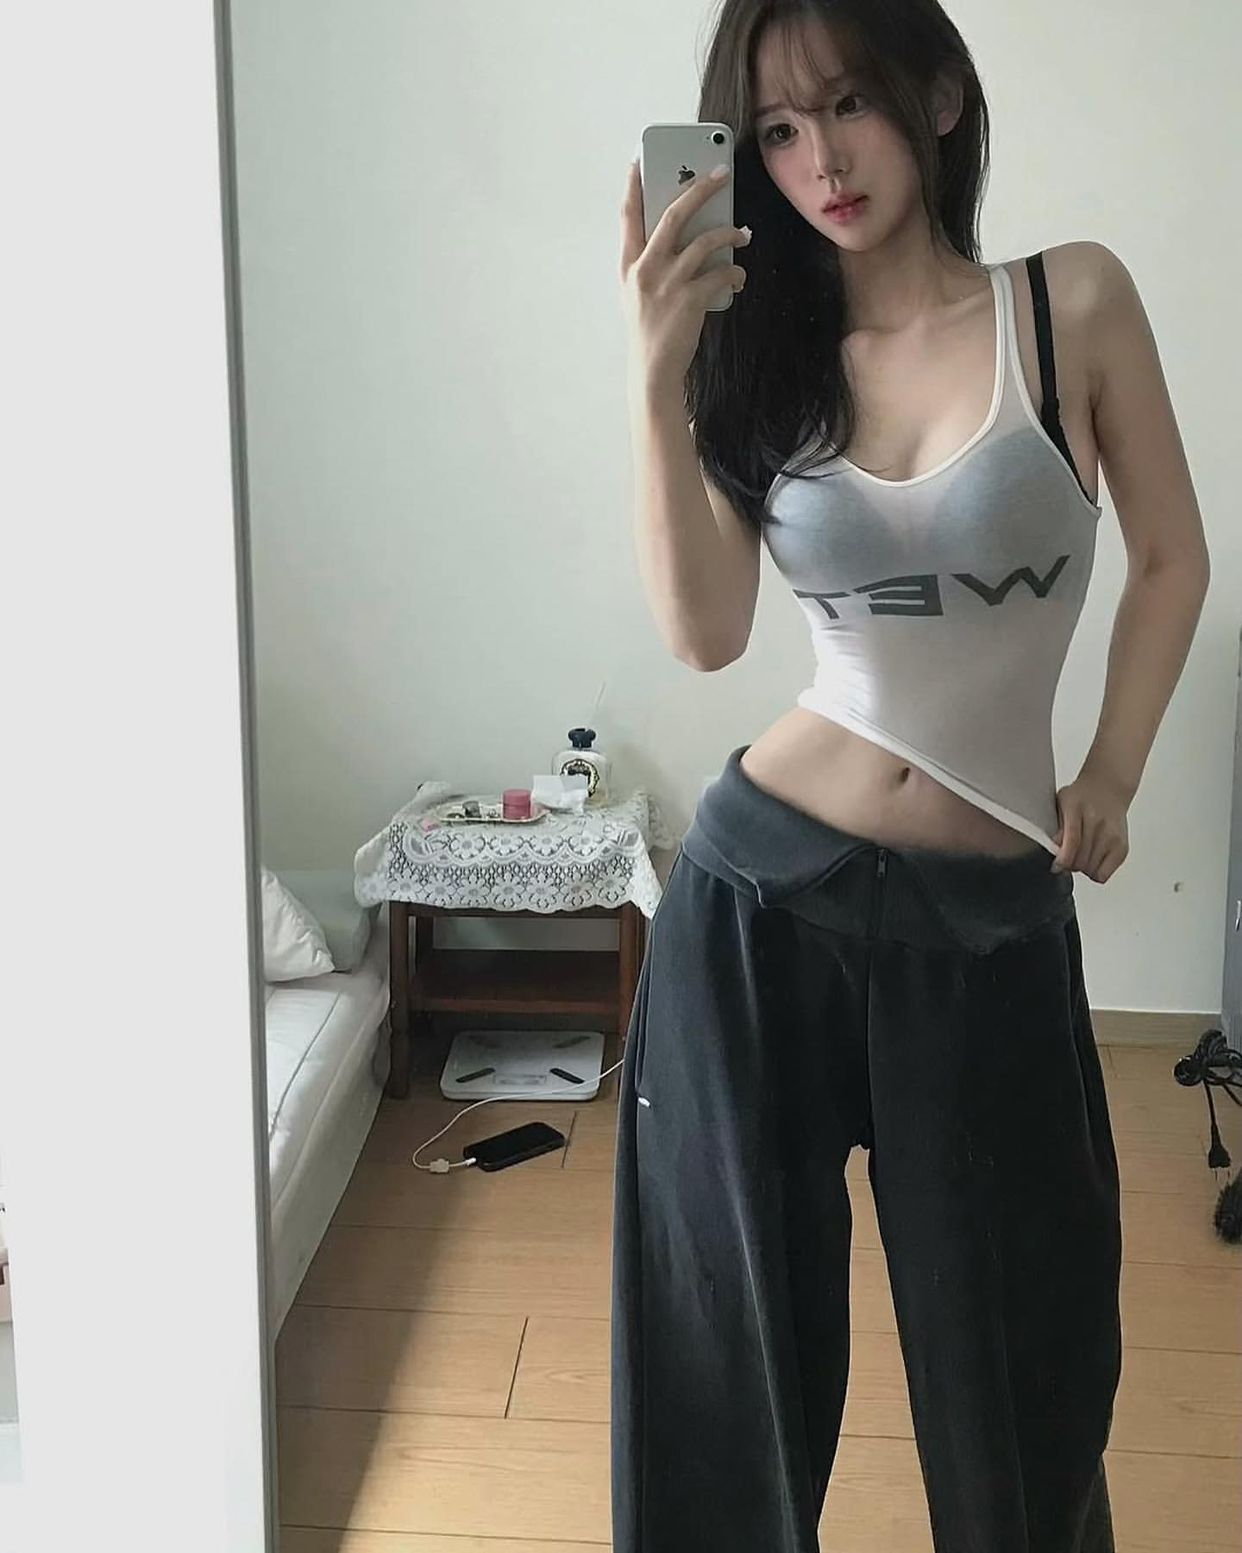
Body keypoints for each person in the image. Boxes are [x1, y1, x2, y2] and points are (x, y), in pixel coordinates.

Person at [612, 2, 1211, 1550]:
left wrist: (1112, 768)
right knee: (721, 1379)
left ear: (936, 96)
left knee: (1024, 1376)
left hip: (986, 919)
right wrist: (657, 373)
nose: (818, 160)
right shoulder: (759, 357)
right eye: (775, 131)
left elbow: (1171, 558)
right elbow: (705, 633)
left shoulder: (1067, 304)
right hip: (758, 905)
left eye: (847, 104)